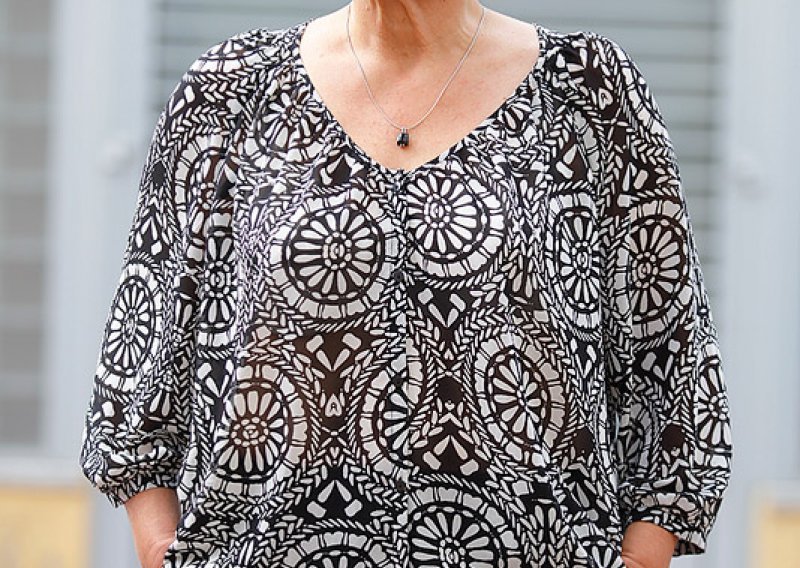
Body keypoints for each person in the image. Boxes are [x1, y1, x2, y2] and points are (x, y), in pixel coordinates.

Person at [78, 1, 734, 567]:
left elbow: (673, 360)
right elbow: (144, 344)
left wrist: (644, 552)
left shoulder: (588, 88)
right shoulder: (231, 90)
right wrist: (158, 543)